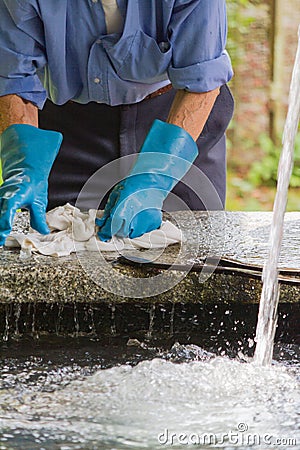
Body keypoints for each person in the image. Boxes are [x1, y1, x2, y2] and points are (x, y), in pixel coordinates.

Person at [0, 0, 234, 245]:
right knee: (53, 253)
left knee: (194, 253)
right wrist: (23, 167)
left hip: (177, 118)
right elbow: (14, 76)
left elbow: (202, 77)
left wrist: (157, 175)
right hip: (70, 123)